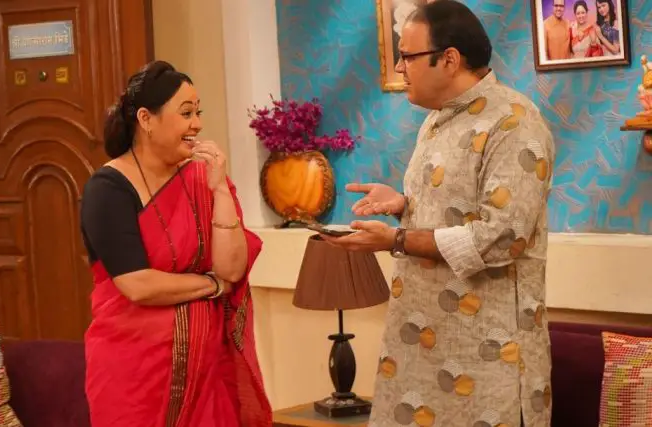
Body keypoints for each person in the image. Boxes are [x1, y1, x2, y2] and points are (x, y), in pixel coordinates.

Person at [323, 1, 554, 426]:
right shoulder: (435, 121)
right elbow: (455, 211)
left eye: (407, 56)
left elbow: (502, 237)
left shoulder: (514, 123)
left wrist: (395, 240)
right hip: (421, 352)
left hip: (490, 360)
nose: (399, 68)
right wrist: (404, 204)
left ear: (449, 59)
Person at [79, 60, 272, 427]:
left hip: (206, 373)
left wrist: (219, 188)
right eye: (186, 113)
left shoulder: (202, 178)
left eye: (198, 113)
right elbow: (137, 284)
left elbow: (232, 268)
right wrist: (212, 285)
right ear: (146, 119)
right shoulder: (108, 189)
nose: (197, 124)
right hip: (134, 379)